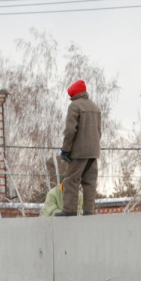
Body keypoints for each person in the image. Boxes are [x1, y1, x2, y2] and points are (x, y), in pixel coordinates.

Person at [56, 79, 102, 216]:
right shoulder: (95, 107)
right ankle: (89, 211)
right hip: (93, 151)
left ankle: (69, 210)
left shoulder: (75, 106)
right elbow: (99, 131)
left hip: (78, 152)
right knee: (90, 182)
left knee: (71, 180)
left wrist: (66, 149)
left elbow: (70, 130)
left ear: (74, 95)